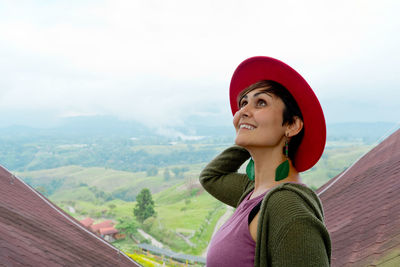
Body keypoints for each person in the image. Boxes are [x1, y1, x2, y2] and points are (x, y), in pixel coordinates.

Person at [200, 56, 331, 267]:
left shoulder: (288, 207)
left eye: (261, 102)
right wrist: (249, 133)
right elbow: (211, 177)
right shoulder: (253, 190)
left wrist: (250, 131)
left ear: (292, 125)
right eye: (243, 103)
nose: (243, 111)